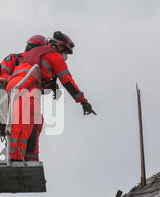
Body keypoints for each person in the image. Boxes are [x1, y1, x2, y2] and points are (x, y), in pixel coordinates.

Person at [6, 31, 96, 161]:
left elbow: (37, 73)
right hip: (25, 88)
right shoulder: (54, 55)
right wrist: (82, 101)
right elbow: (67, 81)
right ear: (59, 46)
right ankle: (16, 159)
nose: (65, 55)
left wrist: (49, 85)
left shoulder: (36, 52)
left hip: (20, 86)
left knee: (35, 124)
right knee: (22, 124)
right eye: (65, 51)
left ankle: (31, 160)